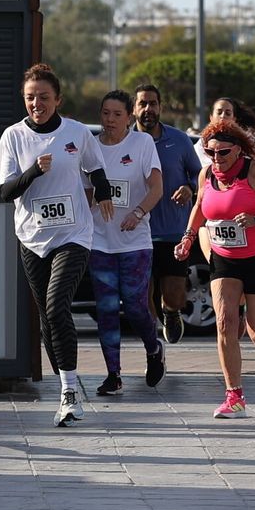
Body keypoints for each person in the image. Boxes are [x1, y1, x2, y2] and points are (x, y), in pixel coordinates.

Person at [0, 63, 113, 427]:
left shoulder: (77, 132)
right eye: (30, 98)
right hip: (32, 237)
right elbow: (6, 192)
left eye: (44, 97)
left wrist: (104, 193)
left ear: (58, 99)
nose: (37, 104)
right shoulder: (13, 136)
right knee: (47, 318)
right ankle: (65, 388)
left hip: (73, 234)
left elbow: (95, 168)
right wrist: (33, 171)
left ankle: (70, 392)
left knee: (57, 304)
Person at [175, 118, 255, 417]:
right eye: (211, 152)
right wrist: (188, 237)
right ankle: (234, 396)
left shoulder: (253, 172)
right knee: (224, 323)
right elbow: (200, 206)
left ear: (238, 150)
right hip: (224, 256)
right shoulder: (207, 174)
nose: (216, 158)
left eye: (223, 152)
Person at [90, 91, 166, 397]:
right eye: (105, 113)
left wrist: (138, 213)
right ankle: (113, 374)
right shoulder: (91, 147)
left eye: (117, 114)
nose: (110, 120)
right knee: (107, 308)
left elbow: (156, 188)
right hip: (100, 240)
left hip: (135, 241)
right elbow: (84, 190)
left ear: (129, 118)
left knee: (135, 306)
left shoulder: (141, 143)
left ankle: (153, 347)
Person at [132, 84, 203, 344]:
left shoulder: (179, 140)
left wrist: (190, 187)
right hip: (137, 231)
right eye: (142, 104)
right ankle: (153, 343)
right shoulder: (126, 142)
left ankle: (171, 313)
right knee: (142, 294)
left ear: (160, 107)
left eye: (153, 103)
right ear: (133, 109)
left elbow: (200, 175)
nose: (148, 109)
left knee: (174, 296)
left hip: (173, 230)